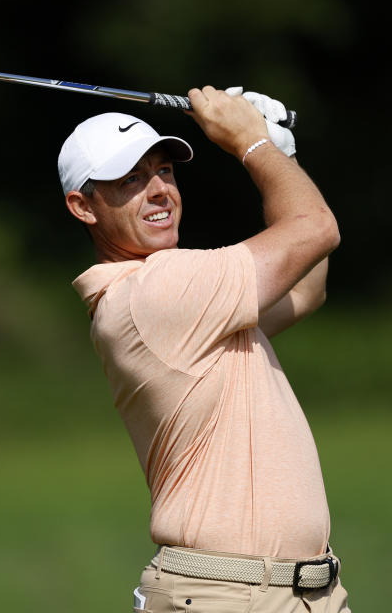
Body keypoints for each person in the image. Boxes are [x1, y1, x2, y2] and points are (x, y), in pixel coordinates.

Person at [59, 85, 349, 613]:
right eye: (130, 180)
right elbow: (316, 229)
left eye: (164, 171)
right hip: (228, 595)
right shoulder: (155, 292)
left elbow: (307, 288)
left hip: (304, 594)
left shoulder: (188, 298)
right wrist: (253, 145)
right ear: (83, 207)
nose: (158, 191)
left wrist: (280, 150)